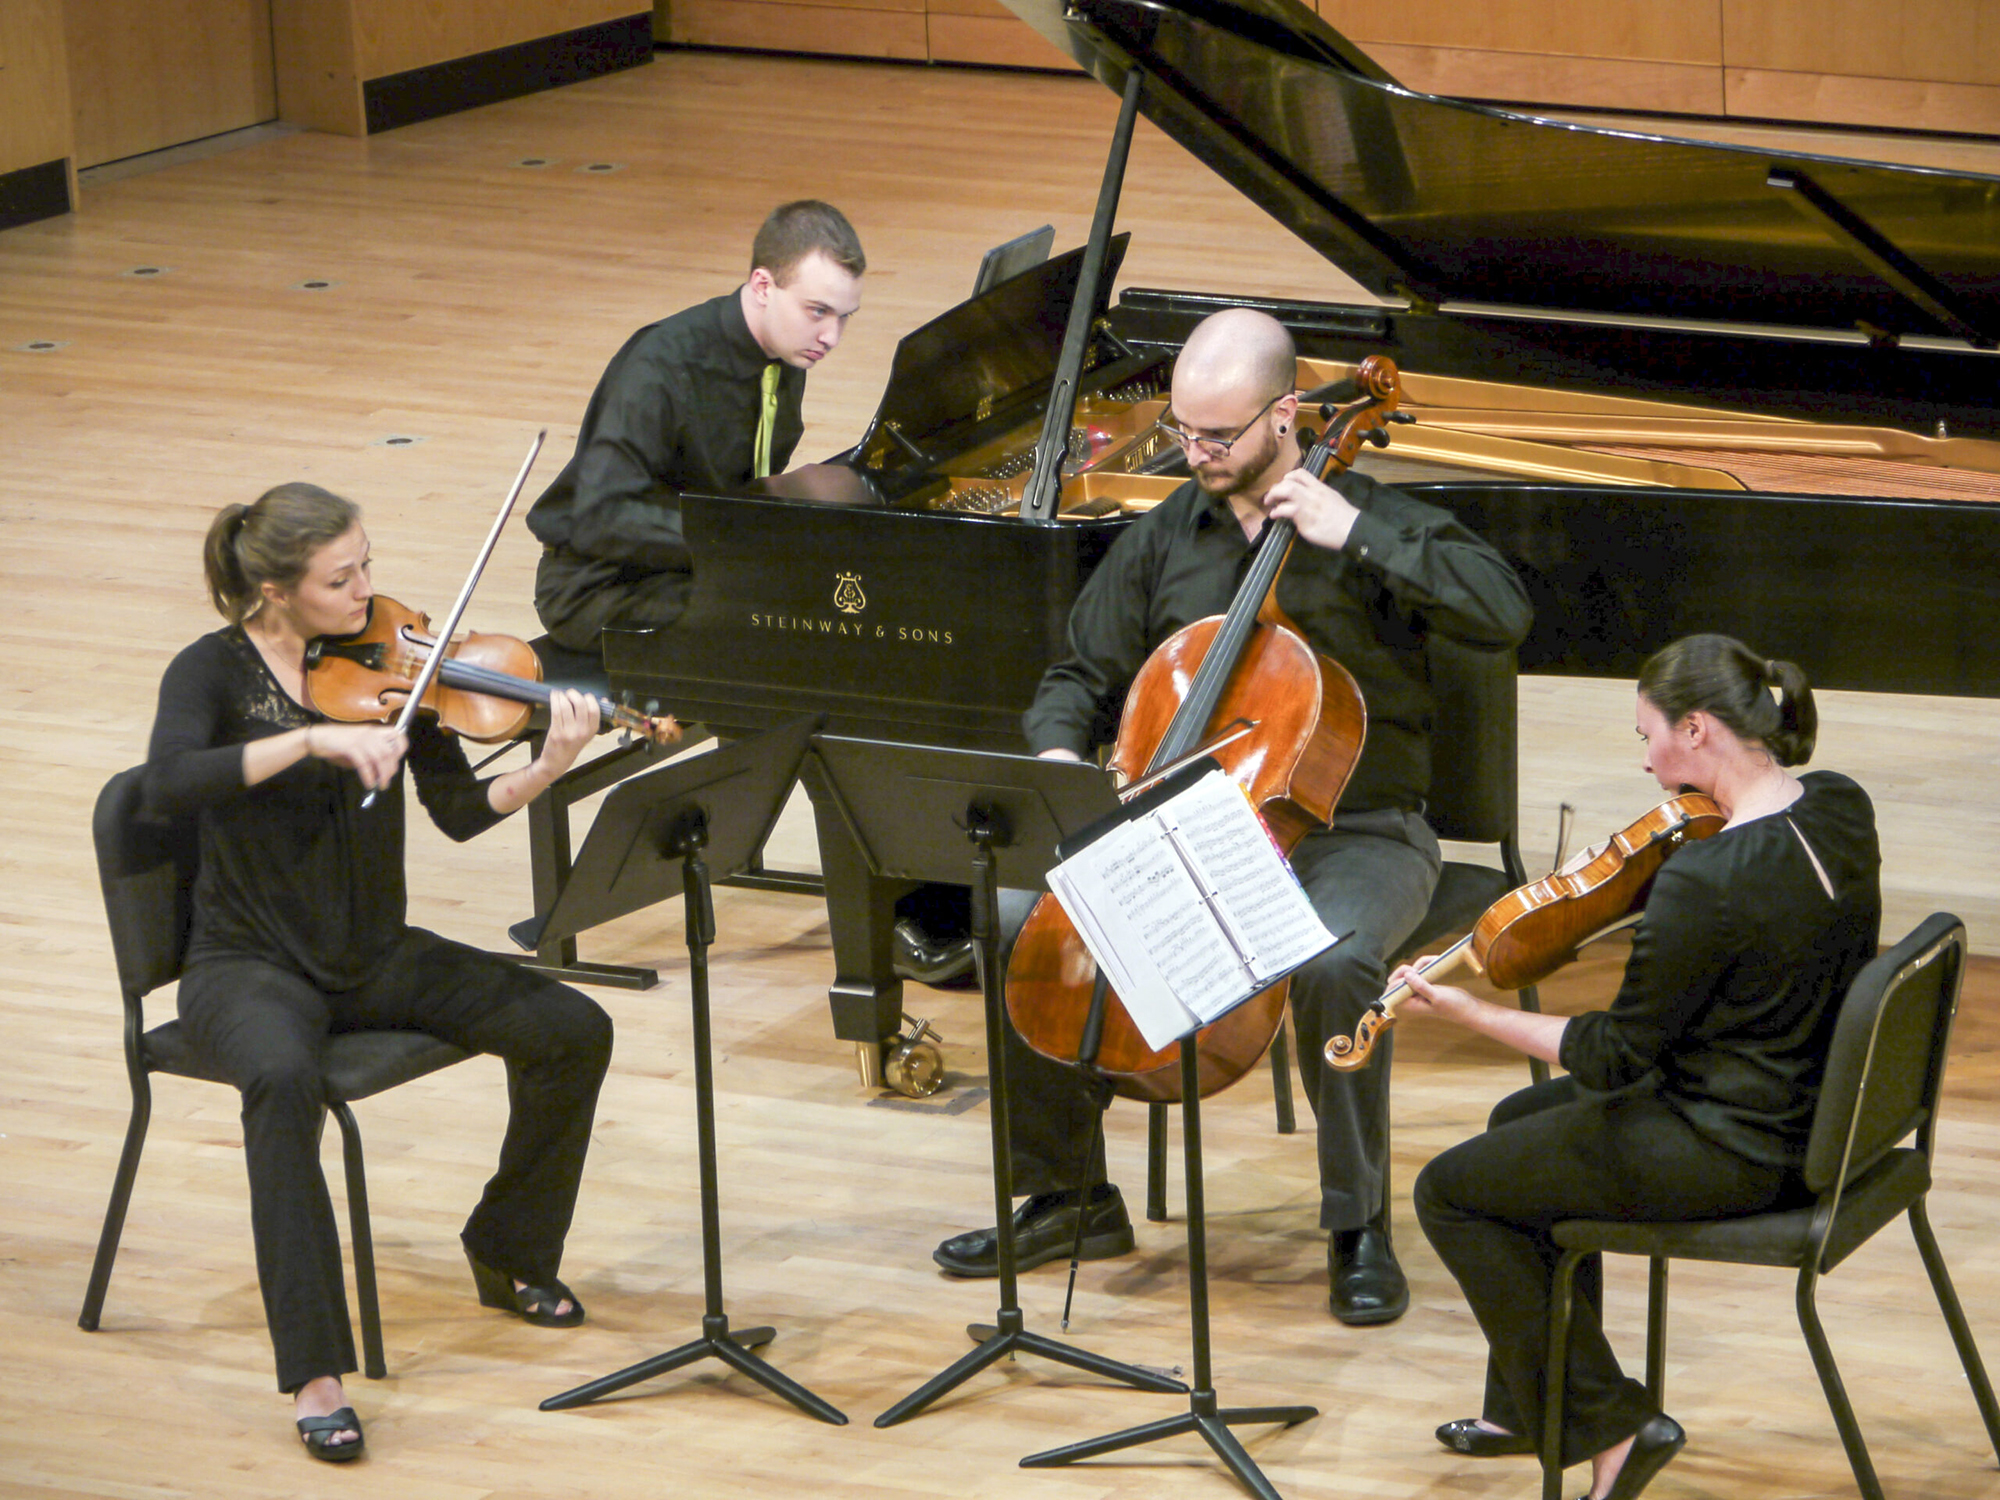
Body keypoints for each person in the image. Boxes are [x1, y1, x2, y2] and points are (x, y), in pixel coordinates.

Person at [930, 308, 1533, 1324]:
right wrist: (1057, 756)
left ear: (1285, 415)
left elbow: (1502, 612)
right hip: (1185, 831)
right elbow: (1079, 673)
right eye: (1182, 434)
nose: (1195, 455)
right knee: (1008, 927)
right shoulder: (1173, 530)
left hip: (1358, 830)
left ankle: (1355, 1226)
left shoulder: (1369, 517)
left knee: (1335, 961)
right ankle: (1069, 1196)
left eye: (1216, 436)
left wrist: (1364, 537)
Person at [144, 483, 615, 1462]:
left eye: (366, 563)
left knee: (573, 1029)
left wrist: (548, 766)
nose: (369, 592)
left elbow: (455, 810)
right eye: (339, 578)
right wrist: (313, 738)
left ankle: (508, 1248)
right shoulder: (213, 672)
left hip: (371, 954)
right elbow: (167, 781)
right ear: (273, 590)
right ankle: (316, 1370)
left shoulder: (395, 665)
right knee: (282, 1080)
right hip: (247, 964)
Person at [1400, 634, 1881, 1500]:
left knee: (1451, 1191)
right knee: (1517, 1126)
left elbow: (1615, 1056)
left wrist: (1472, 1011)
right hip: (1808, 1103)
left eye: (1646, 734)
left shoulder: (1707, 879)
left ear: (1697, 730)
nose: (1645, 756)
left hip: (1742, 1145)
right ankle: (1529, 1406)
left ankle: (1615, 1431)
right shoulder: (1840, 807)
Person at [526, 199, 866, 651]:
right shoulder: (662, 368)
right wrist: (736, 543)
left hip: (695, 566)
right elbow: (601, 516)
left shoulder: (786, 355)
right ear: (763, 285)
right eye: (818, 311)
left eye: (844, 316)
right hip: (603, 586)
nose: (832, 337)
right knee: (788, 624)